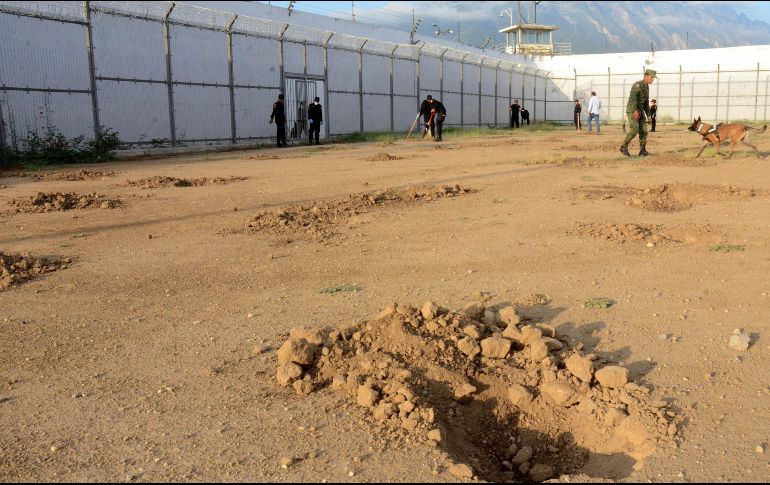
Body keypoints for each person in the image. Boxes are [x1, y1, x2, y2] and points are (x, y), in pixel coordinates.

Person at [620, 69, 656, 157]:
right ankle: (623, 147)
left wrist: (649, 116)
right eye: (651, 78)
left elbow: (646, 103)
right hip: (632, 109)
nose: (652, 80)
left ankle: (642, 150)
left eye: (653, 78)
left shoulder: (647, 87)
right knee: (635, 129)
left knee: (644, 130)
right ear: (646, 76)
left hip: (640, 110)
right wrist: (635, 111)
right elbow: (633, 99)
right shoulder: (637, 85)